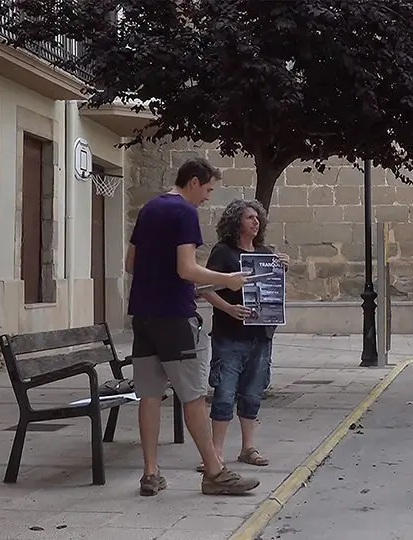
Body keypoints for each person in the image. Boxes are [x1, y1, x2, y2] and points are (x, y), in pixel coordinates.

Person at [125, 157, 260, 497]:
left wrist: (168, 282)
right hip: (174, 316)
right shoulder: (184, 212)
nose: (207, 198)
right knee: (193, 397)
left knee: (150, 395)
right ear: (195, 181)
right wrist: (227, 279)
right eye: (208, 190)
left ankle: (150, 474)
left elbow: (131, 263)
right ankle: (214, 472)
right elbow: (186, 268)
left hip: (143, 314)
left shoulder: (149, 208)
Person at [195, 199, 288, 472]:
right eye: (250, 217)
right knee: (224, 392)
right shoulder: (223, 253)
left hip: (261, 335)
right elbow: (204, 287)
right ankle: (216, 453)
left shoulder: (265, 252)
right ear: (236, 222)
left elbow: (274, 289)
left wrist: (282, 268)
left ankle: (248, 448)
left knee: (253, 393)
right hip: (229, 335)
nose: (255, 222)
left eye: (257, 217)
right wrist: (229, 308)